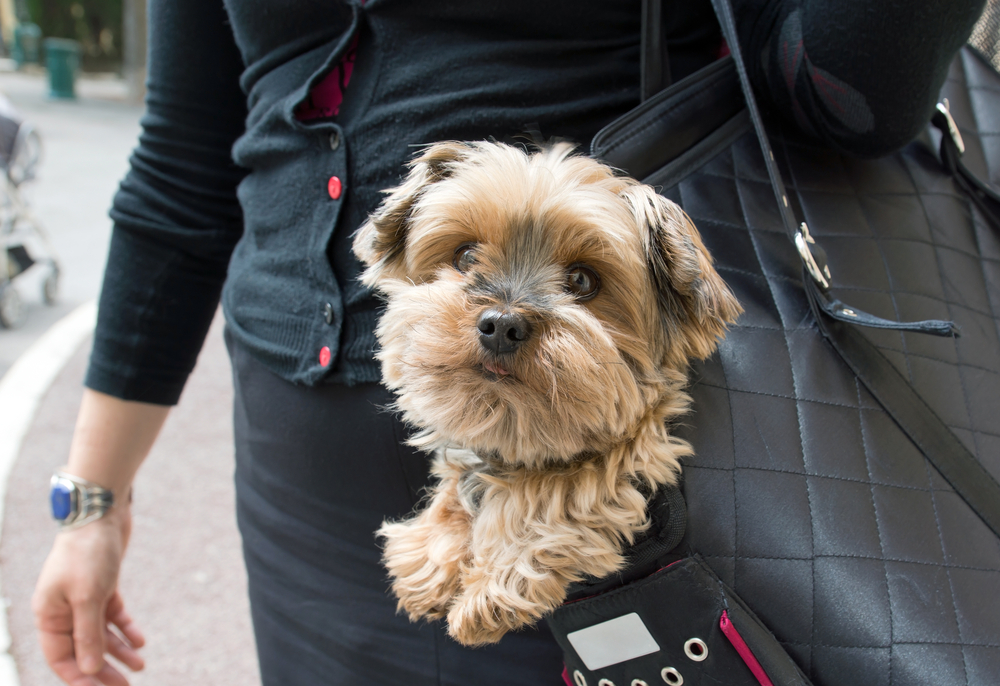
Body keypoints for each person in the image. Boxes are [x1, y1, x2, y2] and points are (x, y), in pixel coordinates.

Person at [32, 1, 987, 685]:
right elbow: (181, 169)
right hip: (298, 488)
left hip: (644, 510)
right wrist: (93, 501)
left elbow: (856, 89)